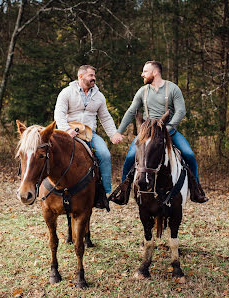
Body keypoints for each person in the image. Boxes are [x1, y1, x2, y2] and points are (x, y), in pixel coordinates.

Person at [112, 61, 207, 203]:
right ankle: (123, 191)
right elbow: (132, 111)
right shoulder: (142, 91)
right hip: (147, 133)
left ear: (155, 72)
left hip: (169, 132)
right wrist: (119, 131)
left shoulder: (173, 89)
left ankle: (196, 190)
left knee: (189, 155)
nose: (142, 74)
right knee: (130, 157)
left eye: (145, 71)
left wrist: (168, 128)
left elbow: (181, 111)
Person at [54, 65, 123, 208]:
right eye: (91, 75)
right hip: (68, 133)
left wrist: (113, 134)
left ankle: (104, 193)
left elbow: (105, 117)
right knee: (50, 153)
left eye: (94, 75)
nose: (94, 78)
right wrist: (66, 130)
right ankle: (47, 188)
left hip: (90, 134)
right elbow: (59, 114)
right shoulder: (67, 92)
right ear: (81, 76)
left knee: (104, 155)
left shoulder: (99, 96)